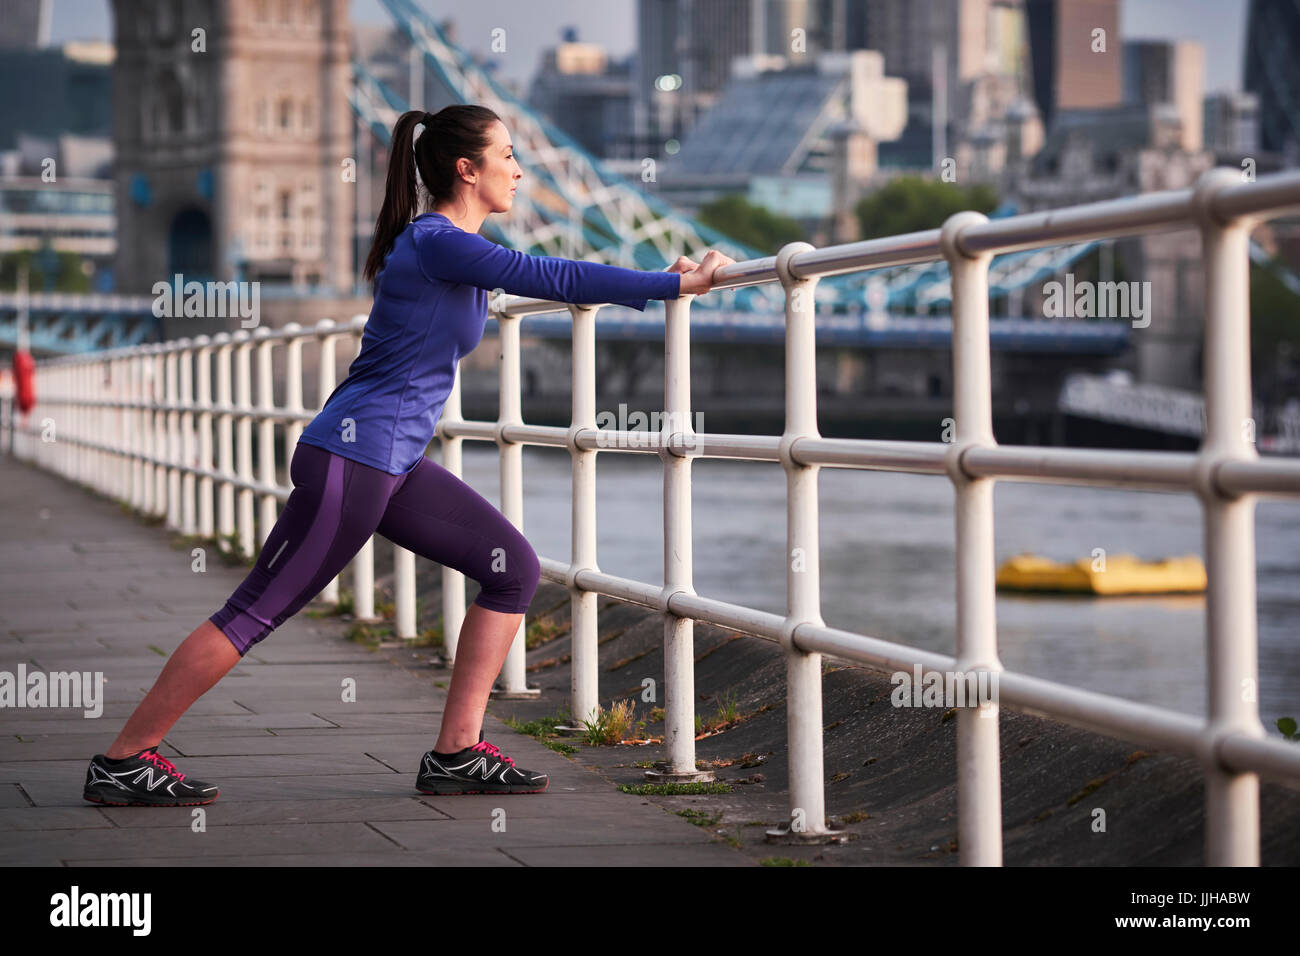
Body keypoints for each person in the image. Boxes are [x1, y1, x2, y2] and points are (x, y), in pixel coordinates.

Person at [82, 104, 734, 805]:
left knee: (510, 568)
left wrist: (658, 281)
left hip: (387, 465)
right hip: (352, 462)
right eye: (507, 155)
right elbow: (551, 276)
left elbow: (523, 275)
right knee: (254, 612)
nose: (519, 170)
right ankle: (124, 759)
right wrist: (671, 284)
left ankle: (457, 752)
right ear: (467, 168)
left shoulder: (451, 248)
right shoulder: (437, 240)